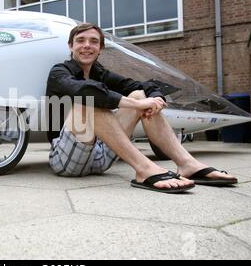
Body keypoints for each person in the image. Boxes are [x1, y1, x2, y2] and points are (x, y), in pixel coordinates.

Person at [45, 23, 238, 193]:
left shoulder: (101, 74)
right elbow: (85, 91)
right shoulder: (59, 72)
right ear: (71, 46)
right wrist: (137, 104)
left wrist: (155, 99)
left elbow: (141, 86)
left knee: (139, 94)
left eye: (94, 41)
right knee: (88, 100)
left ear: (100, 48)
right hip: (67, 160)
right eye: (81, 40)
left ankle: (187, 164)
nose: (87, 45)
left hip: (101, 157)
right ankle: (144, 169)